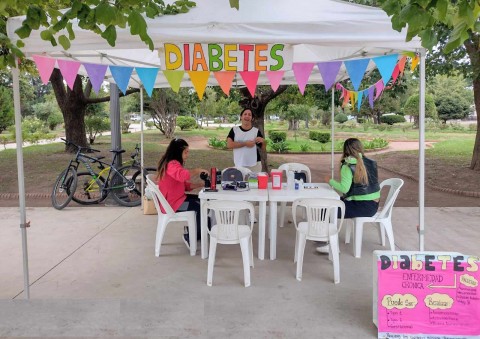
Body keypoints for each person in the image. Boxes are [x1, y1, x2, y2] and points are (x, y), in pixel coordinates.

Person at [318, 138, 380, 254]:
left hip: (360, 205)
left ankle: (331, 244)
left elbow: (344, 188)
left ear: (345, 150)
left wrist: (329, 180)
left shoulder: (347, 165)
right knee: (330, 205)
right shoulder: (371, 162)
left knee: (324, 210)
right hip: (373, 205)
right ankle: (324, 237)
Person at [156, 138, 207, 251]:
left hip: (177, 199)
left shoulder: (173, 164)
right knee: (200, 206)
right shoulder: (172, 164)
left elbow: (184, 185)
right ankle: (191, 236)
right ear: (177, 152)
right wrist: (198, 170)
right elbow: (183, 176)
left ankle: (197, 231)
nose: (187, 155)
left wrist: (200, 184)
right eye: (186, 152)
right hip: (172, 204)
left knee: (202, 201)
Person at [226, 108, 266, 173]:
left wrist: (264, 142)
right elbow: (229, 145)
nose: (247, 116)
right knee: (241, 182)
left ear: (252, 118)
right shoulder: (234, 130)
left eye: (250, 115)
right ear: (241, 117)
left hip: (255, 165)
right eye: (245, 114)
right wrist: (245, 144)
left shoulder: (256, 131)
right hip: (239, 164)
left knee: (254, 183)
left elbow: (263, 149)